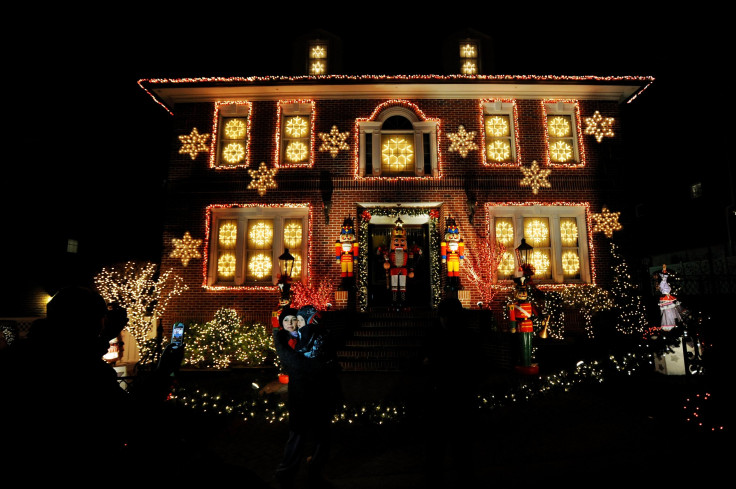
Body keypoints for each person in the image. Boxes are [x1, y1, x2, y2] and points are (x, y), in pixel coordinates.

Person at [1, 286, 130, 480]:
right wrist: (163, 372)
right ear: (90, 324)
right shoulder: (89, 371)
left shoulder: (22, 356)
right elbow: (126, 418)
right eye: (99, 320)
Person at [273, 305, 341, 489]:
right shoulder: (289, 339)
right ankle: (286, 472)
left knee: (320, 435)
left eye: (298, 321)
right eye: (294, 321)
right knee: (298, 435)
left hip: (319, 394)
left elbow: (326, 363)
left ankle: (313, 470)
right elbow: (296, 364)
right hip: (301, 395)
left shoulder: (316, 336)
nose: (295, 324)